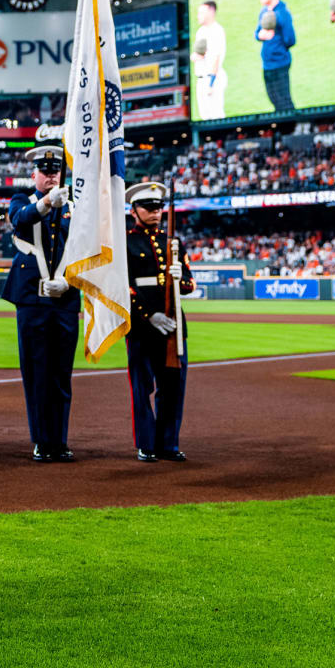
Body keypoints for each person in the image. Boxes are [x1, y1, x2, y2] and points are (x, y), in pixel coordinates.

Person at [1, 144, 79, 462]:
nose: (51, 176)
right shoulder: (23, 200)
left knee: (61, 374)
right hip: (32, 298)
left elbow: (86, 248)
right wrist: (47, 202)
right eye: (45, 172)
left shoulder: (76, 207)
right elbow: (21, 219)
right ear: (34, 175)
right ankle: (40, 441)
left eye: (55, 171)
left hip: (64, 297)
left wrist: (71, 281)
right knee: (36, 373)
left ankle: (59, 440)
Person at [123, 182, 195, 463]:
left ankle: (168, 443)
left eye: (159, 208)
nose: (155, 213)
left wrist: (181, 276)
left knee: (173, 386)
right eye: (148, 208)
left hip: (173, 326)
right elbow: (124, 285)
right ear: (134, 211)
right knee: (142, 387)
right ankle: (147, 443)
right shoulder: (126, 242)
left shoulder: (173, 243)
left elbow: (189, 285)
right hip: (142, 325)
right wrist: (148, 315)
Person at [254, 0, 297, 111]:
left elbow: (290, 39)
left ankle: (293, 125)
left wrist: (278, 47)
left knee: (284, 98)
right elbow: (256, 33)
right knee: (273, 98)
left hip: (280, 63)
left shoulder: (283, 13)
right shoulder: (263, 12)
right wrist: (261, 35)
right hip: (267, 63)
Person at [191, 1, 228, 119]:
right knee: (205, 116)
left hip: (213, 79)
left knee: (216, 115)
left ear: (211, 12)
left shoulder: (217, 31)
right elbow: (198, 55)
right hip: (201, 79)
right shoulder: (201, 31)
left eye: (202, 12)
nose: (198, 15)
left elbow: (216, 59)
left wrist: (211, 84)